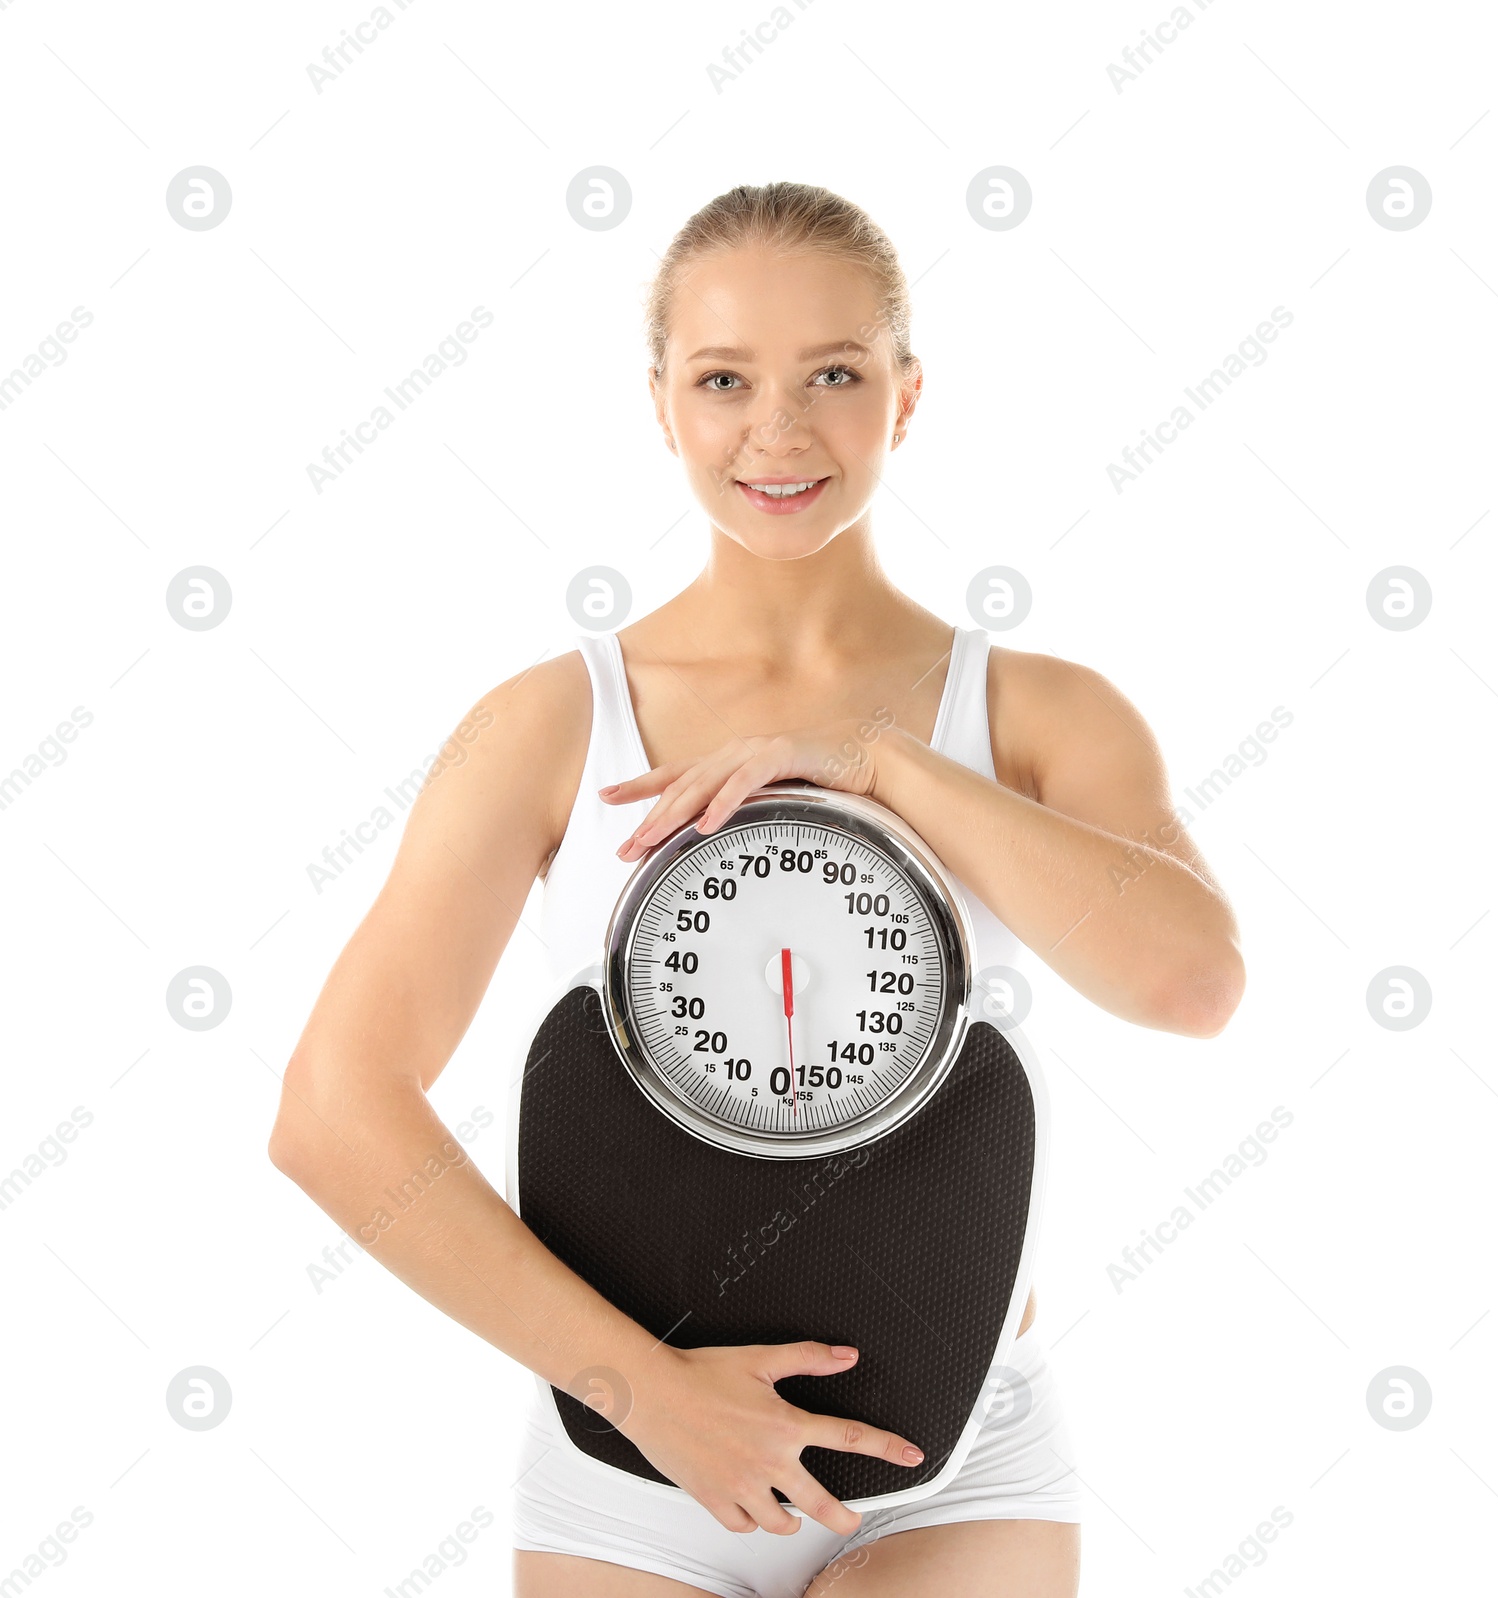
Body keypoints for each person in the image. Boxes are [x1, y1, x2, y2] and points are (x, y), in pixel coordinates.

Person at [268, 180, 1245, 1598]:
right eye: (724, 378)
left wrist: (882, 763)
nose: (776, 430)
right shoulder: (549, 724)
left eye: (834, 375)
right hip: (628, 1465)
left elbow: (1193, 982)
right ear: (660, 403)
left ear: (907, 398)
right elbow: (332, 1113)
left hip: (955, 1453)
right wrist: (645, 1391)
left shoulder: (1040, 713)